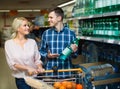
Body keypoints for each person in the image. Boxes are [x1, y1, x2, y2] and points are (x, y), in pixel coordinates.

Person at [4, 17, 44, 89]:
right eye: (25, 25)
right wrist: (27, 68)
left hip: (36, 77)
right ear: (17, 28)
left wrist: (40, 67)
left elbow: (37, 59)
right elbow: (12, 63)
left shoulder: (32, 42)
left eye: (28, 25)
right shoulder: (9, 44)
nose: (28, 27)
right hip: (21, 78)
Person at [39, 7, 78, 77]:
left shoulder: (71, 34)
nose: (48, 20)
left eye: (51, 17)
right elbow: (41, 51)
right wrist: (47, 55)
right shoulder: (46, 33)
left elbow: (75, 55)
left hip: (66, 72)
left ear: (59, 18)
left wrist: (73, 51)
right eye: (48, 18)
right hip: (50, 72)